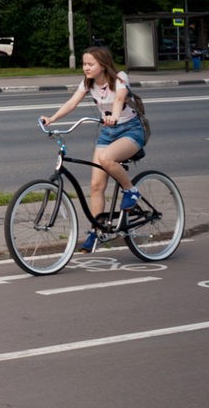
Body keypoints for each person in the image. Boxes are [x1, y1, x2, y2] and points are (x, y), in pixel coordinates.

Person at [40, 45, 144, 253]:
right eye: (84, 63)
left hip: (130, 130)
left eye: (90, 64)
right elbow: (72, 103)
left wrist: (114, 116)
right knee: (96, 186)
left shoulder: (120, 78)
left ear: (103, 64)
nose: (85, 67)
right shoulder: (88, 83)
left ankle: (131, 191)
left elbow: (119, 99)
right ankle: (97, 231)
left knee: (106, 158)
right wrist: (51, 119)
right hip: (107, 132)